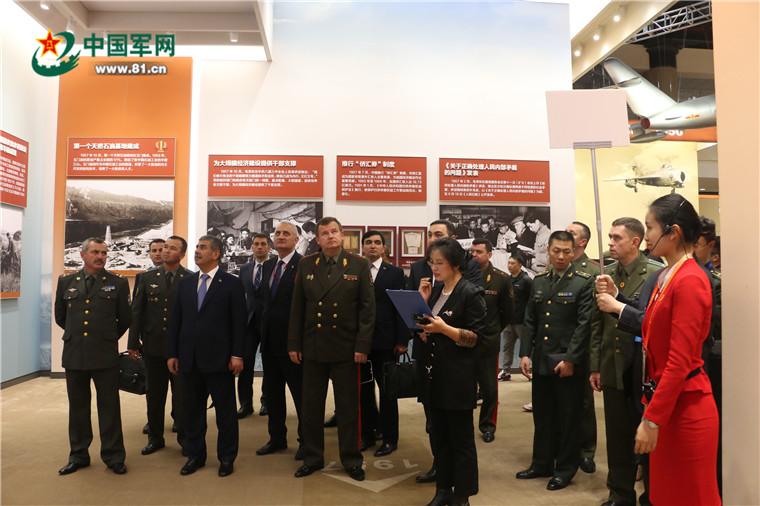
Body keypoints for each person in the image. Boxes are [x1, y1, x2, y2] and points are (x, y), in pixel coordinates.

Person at [627, 194, 720, 505]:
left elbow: (679, 361)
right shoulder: (666, 276)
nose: (646, 235)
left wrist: (652, 419)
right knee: (665, 496)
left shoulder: (690, 279)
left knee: (690, 496)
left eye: (650, 227)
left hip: (686, 410)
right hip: (666, 405)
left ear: (674, 232)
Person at [288, 217, 375, 482]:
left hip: (346, 348)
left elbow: (367, 309)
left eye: (334, 231)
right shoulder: (306, 264)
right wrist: (294, 343)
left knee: (348, 408)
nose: (330, 236)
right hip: (313, 346)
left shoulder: (358, 264)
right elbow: (297, 307)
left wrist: (362, 345)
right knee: (311, 407)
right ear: (318, 239)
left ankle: (351, 460)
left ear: (342, 235)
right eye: (324, 233)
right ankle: (313, 458)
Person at [588, 218, 663, 506]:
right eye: (609, 237)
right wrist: (596, 365)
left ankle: (652, 496)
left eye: (617, 238)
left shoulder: (655, 273)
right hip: (613, 367)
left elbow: (652, 322)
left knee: (647, 439)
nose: (610, 243)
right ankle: (619, 494)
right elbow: (597, 324)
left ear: (635, 242)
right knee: (618, 438)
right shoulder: (605, 273)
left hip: (642, 371)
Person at [516, 230, 593, 491]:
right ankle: (541, 463)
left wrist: (571, 359)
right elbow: (531, 320)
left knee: (568, 417)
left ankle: (565, 469)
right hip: (541, 360)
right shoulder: (539, 281)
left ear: (574, 253)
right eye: (556, 251)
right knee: (543, 414)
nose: (561, 256)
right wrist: (525, 353)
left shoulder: (583, 282)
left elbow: (584, 325)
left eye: (566, 252)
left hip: (567, 363)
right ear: (548, 250)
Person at [407, 219, 481, 484]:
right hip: (433, 375)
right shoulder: (436, 291)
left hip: (457, 378)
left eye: (440, 263)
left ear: (455, 263)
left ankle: (461, 495)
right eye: (432, 262)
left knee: (460, 441)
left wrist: (444, 329)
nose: (434, 268)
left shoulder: (470, 293)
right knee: (438, 437)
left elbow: (476, 339)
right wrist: (421, 304)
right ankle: (442, 489)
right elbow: (426, 331)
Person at [167, 235, 247, 477]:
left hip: (220, 359)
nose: (197, 251)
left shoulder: (232, 283)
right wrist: (173, 353)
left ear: (216, 254)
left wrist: (237, 354)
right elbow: (176, 321)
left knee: (225, 414)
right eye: (196, 247)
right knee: (192, 413)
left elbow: (239, 323)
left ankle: (226, 458)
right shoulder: (185, 284)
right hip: (189, 359)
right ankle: (195, 456)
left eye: (203, 247)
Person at [54, 237, 131, 475]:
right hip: (75, 354)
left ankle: (114, 456)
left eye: (104, 253)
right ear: (82, 255)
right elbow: (61, 317)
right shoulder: (66, 281)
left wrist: (105, 337)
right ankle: (78, 455)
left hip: (104, 354)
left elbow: (125, 319)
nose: (100, 257)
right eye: (95, 252)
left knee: (109, 407)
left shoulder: (117, 283)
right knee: (78, 407)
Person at [128, 236, 191, 457]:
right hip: (153, 346)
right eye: (165, 247)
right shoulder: (147, 278)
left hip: (180, 349)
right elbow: (137, 312)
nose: (165, 251)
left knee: (181, 397)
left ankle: (185, 439)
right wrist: (132, 343)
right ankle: (155, 438)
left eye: (172, 248)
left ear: (182, 255)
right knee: (154, 395)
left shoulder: (190, 278)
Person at [254, 222, 304, 460]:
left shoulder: (304, 265)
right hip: (270, 342)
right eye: (278, 233)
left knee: (301, 397)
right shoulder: (269, 265)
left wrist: (298, 342)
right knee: (273, 395)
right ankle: (277, 438)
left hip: (294, 344)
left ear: (296, 240)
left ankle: (306, 441)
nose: (281, 236)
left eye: (286, 233)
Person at [357, 230, 408, 456]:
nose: (373, 246)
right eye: (368, 242)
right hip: (360, 343)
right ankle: (367, 435)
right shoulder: (356, 270)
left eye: (377, 242)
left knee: (388, 393)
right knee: (364, 392)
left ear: (384, 248)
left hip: (386, 342)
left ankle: (389, 438)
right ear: (362, 247)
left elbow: (401, 307)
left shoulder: (394, 273)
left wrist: (402, 340)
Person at [470, 238, 512, 443]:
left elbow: (507, 312)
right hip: (465, 340)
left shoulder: (500, 279)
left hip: (488, 341)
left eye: (479, 252)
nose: (474, 255)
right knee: (464, 387)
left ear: (489, 254)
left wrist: (494, 330)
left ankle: (487, 425)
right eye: (472, 251)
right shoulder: (463, 275)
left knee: (489, 389)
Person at [565, 220, 598, 474]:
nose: (566, 235)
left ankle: (586, 451)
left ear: (583, 242)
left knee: (585, 403)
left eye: (571, 233)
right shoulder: (557, 266)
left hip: (584, 345)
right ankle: (564, 448)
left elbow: (595, 317)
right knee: (560, 402)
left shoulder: (593, 271)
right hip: (559, 344)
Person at [237, 233, 271, 418]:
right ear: (252, 247)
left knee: (269, 364)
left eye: (263, 244)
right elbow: (239, 295)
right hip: (248, 322)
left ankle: (267, 402)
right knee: (245, 363)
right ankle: (245, 404)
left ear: (268, 247)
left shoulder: (275, 267)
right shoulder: (245, 269)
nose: (259, 247)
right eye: (256, 244)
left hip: (269, 322)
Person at [499, 253, 532, 382]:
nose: (510, 266)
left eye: (513, 263)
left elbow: (531, 301)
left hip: (522, 322)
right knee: (507, 347)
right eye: (509, 263)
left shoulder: (526, 280)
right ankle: (505, 371)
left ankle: (534, 371)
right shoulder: (507, 280)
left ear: (520, 265)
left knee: (528, 347)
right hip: (509, 321)